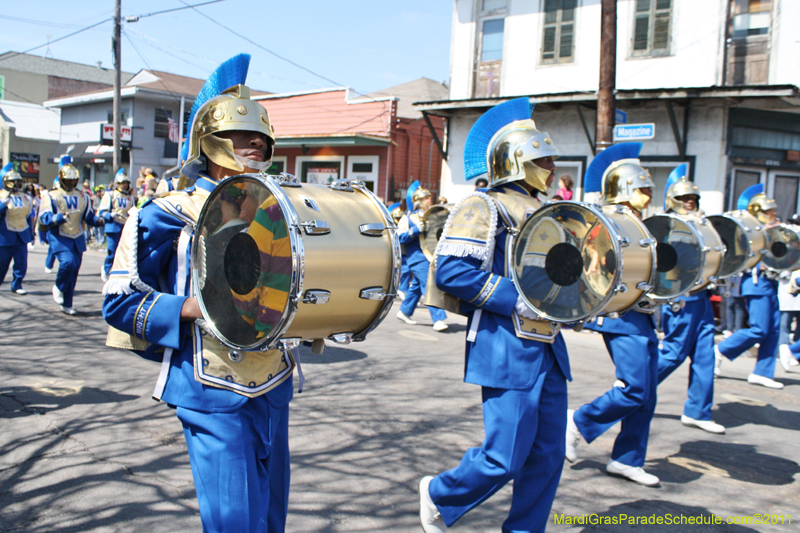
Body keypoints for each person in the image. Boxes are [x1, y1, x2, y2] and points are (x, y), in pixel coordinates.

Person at [103, 54, 297, 533]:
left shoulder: (280, 209)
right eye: (240, 137)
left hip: (272, 383)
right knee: (235, 524)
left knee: (271, 520)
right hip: (209, 385)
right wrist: (189, 306)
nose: (254, 144)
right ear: (208, 144)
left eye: (261, 138)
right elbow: (120, 299)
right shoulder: (165, 212)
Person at [418, 97, 570, 533]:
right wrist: (513, 298)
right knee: (503, 457)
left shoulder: (547, 208)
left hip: (550, 348)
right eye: (544, 157)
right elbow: (449, 269)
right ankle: (440, 493)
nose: (552, 165)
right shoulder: (483, 205)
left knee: (546, 457)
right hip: (505, 343)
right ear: (518, 160)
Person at [566, 142, 662, 486]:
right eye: (643, 188)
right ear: (625, 189)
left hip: (642, 314)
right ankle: (579, 421)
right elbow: (595, 269)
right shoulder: (606, 222)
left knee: (647, 394)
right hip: (620, 316)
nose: (650, 194)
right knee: (634, 388)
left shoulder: (639, 222)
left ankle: (627, 459)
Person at [654, 164, 725, 434]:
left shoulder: (701, 222)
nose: (690, 203)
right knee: (673, 354)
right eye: (685, 199)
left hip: (702, 295)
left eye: (693, 199)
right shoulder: (666, 224)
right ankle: (635, 385)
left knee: (705, 355)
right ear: (674, 200)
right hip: (682, 298)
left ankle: (698, 411)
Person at [714, 184, 784, 389]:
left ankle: (763, 372)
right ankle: (721, 350)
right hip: (755, 282)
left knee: (773, 330)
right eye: (767, 211)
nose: (772, 214)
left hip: (770, 282)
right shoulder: (748, 231)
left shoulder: (774, 230)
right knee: (759, 328)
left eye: (773, 210)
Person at [38, 161, 104, 314]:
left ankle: (67, 303)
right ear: (61, 179)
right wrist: (58, 218)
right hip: (60, 236)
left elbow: (88, 216)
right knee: (67, 263)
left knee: (74, 271)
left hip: (78, 236)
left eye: (73, 180)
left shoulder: (83, 196)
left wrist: (98, 221)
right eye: (68, 180)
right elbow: (43, 217)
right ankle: (58, 286)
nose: (71, 182)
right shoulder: (51, 195)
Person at [396, 182, 448, 332]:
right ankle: (438, 319)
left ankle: (404, 311)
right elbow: (399, 238)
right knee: (430, 285)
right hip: (416, 257)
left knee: (418, 286)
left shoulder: (432, 215)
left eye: (429, 197)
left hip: (429, 256)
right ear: (418, 201)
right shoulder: (408, 218)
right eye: (426, 198)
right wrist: (415, 230)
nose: (429, 200)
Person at [0, 163, 34, 295]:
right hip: (5, 235)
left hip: (21, 234)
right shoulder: (1, 195)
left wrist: (31, 234)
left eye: (18, 182)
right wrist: (3, 205)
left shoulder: (25, 197)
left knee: (21, 262)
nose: (15, 184)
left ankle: (17, 284)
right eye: (12, 182)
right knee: (2, 264)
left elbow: (27, 217)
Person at [98, 169, 134, 282]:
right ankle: (106, 268)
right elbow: (101, 212)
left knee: (123, 253)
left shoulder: (130, 197)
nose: (125, 186)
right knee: (112, 252)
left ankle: (117, 273)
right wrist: (111, 215)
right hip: (113, 227)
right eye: (123, 183)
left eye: (126, 183)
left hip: (125, 227)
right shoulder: (110, 195)